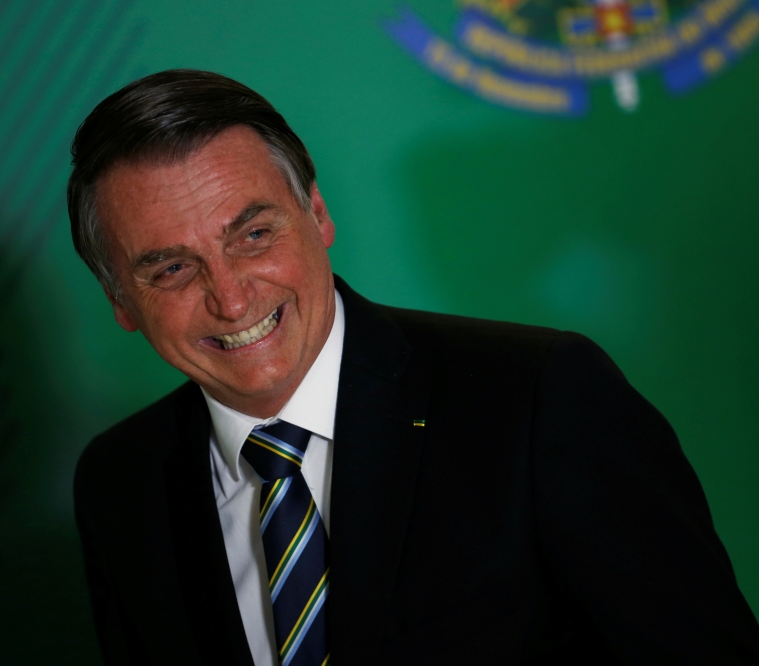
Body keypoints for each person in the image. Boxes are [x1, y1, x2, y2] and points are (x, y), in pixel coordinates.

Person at [67, 69, 759, 665]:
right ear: (121, 302)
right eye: (173, 268)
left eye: (252, 235)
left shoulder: (540, 399)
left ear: (317, 212)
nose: (231, 296)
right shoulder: (120, 482)